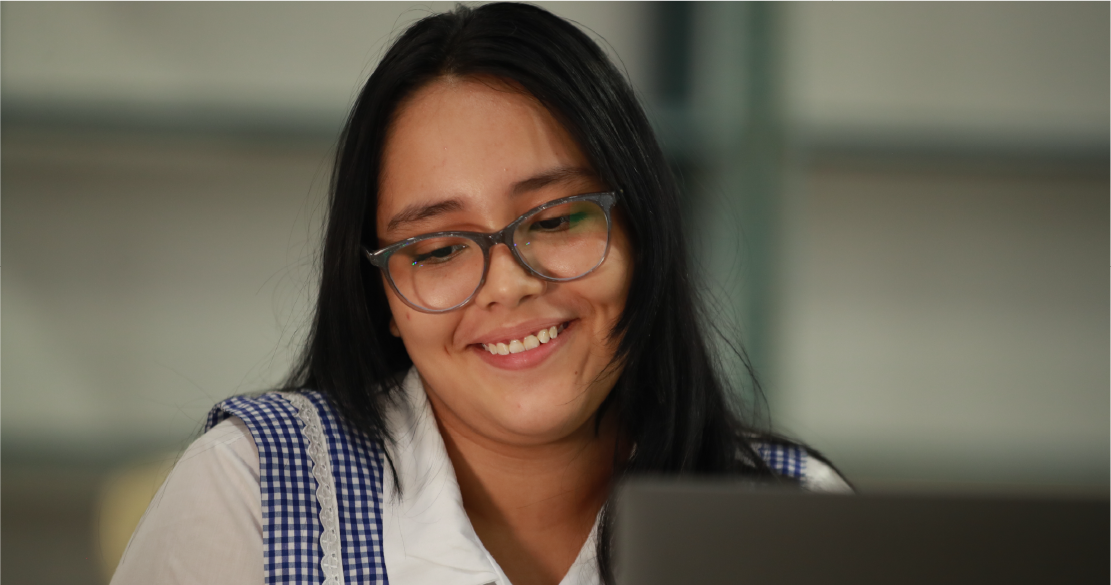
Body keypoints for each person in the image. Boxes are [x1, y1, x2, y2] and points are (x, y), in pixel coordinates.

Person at [111, 3, 850, 585]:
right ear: (385, 301)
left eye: (556, 218)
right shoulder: (255, 493)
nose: (508, 284)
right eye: (437, 248)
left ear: (641, 233)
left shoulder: (792, 516)